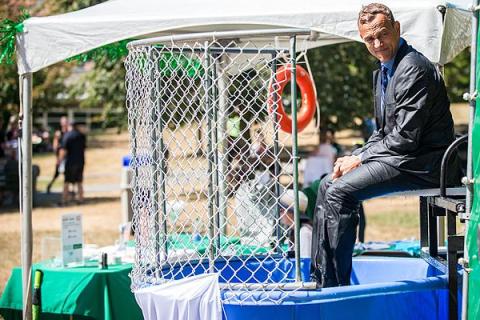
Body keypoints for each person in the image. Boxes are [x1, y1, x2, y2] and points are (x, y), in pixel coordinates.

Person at [310, 3, 458, 288]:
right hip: (401, 156)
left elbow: (404, 138)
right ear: (362, 38)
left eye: (382, 34)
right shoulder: (382, 72)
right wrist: (355, 155)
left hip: (425, 163)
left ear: (397, 29)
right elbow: (383, 132)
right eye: (369, 39)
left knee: (341, 193)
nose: (378, 44)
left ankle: (335, 287)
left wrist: (362, 158)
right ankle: (320, 279)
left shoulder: (413, 68)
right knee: (327, 184)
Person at [59, 121, 86, 205]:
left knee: (67, 181)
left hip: (70, 162)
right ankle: (80, 199)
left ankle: (64, 200)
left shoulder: (67, 136)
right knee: (79, 181)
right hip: (80, 161)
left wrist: (60, 160)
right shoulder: (82, 136)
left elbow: (63, 149)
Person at [279, 189, 312, 259]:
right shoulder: (294, 230)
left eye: (281, 209)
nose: (279, 212)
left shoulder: (304, 233)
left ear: (292, 212)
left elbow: (305, 263)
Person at [46, 116, 69, 194]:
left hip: (68, 157)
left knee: (68, 175)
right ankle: (49, 185)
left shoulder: (69, 132)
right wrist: (58, 158)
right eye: (64, 122)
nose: (65, 123)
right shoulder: (59, 133)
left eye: (66, 122)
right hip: (60, 157)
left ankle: (68, 190)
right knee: (57, 174)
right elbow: (55, 146)